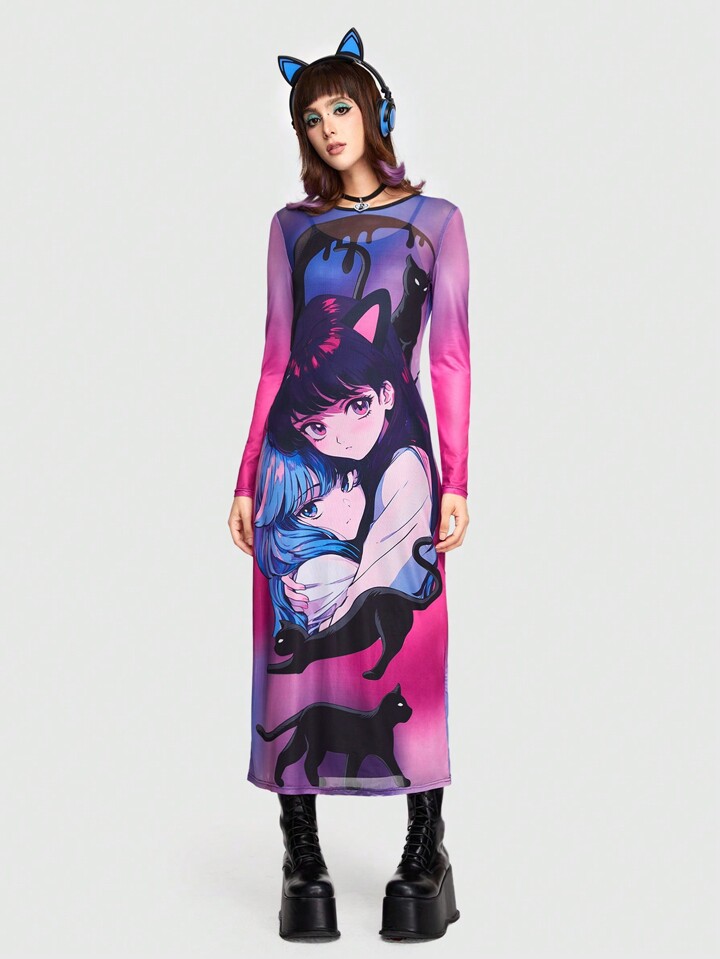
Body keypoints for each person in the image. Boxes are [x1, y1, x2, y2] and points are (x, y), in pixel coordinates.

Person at [227, 27, 471, 942]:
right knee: (292, 647)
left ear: (374, 110)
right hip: (298, 464)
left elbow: (448, 358)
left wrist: (456, 476)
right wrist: (248, 477)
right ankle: (303, 858)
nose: (327, 127)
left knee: (409, 646)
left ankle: (424, 847)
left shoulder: (435, 222)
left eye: (339, 106)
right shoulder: (290, 228)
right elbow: (274, 359)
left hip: (397, 454)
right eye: (309, 117)